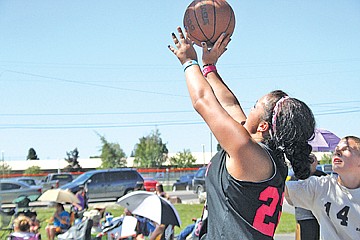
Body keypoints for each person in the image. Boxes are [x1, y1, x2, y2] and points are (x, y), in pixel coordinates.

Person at [168, 27, 315, 239]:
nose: (249, 108)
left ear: (263, 126)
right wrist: (209, 67)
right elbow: (229, 104)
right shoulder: (261, 154)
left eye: (256, 106)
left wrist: (189, 62)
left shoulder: (248, 152)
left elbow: (203, 102)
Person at [286, 136, 360, 240]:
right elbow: (284, 191)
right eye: (336, 149)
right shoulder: (322, 186)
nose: (338, 151)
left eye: (346, 149)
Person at [294, 154, 327, 240]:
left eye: (314, 160)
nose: (314, 162)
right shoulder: (298, 175)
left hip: (320, 215)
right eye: (310, 160)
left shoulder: (322, 176)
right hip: (305, 216)